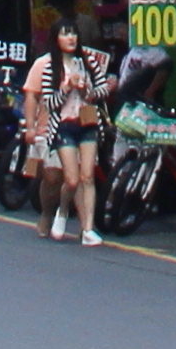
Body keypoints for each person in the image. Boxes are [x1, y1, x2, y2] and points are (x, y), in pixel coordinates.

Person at [28, 20, 115, 244]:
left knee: (88, 176)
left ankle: (87, 229)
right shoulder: (49, 67)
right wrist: (66, 88)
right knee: (72, 179)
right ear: (56, 38)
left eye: (74, 34)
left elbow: (103, 88)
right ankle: (63, 210)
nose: (71, 39)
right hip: (63, 126)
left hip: (87, 122)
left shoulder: (88, 61)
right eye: (65, 35)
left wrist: (89, 91)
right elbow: (49, 103)